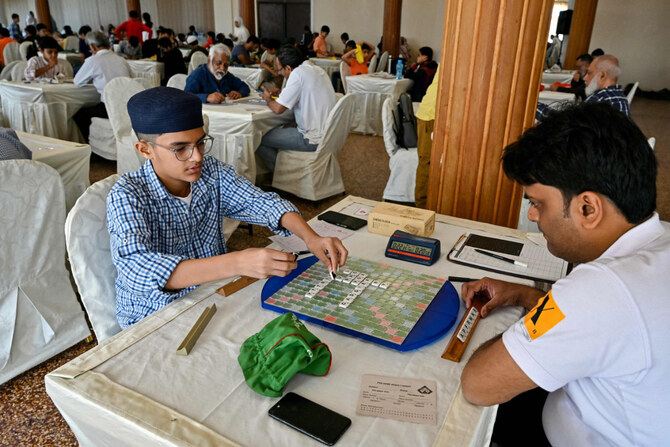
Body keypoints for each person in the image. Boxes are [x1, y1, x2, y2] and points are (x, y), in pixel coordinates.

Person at [460, 102, 668, 446]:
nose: (533, 213)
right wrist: (530, 298)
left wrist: (532, 323)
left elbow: (479, 384)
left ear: (587, 208)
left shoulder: (602, 290)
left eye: (539, 203)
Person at [106, 86, 348, 329]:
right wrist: (238, 262)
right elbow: (138, 268)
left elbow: (262, 203)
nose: (197, 157)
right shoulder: (128, 194)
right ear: (145, 149)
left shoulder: (210, 172)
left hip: (212, 294)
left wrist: (310, 237)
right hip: (154, 315)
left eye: (200, 143)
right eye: (180, 149)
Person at [258, 45, 336, 172]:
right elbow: (305, 94)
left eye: (280, 70)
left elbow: (278, 109)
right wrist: (283, 93)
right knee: (284, 126)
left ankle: (282, 176)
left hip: (311, 138)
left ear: (288, 68)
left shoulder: (297, 74)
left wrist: (268, 99)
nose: (281, 74)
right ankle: (290, 169)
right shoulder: (315, 69)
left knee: (259, 138)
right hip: (328, 135)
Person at [73, 31, 132, 142]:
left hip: (109, 107)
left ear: (93, 46)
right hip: (127, 105)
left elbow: (77, 81)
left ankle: (90, 146)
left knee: (79, 115)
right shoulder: (121, 60)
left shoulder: (93, 60)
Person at [184, 43, 250, 104]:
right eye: (218, 63)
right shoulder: (197, 76)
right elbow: (186, 97)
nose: (222, 68)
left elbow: (244, 87)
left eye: (226, 65)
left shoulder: (226, 76)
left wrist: (239, 93)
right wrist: (207, 97)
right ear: (209, 60)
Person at [414, 66, 439, 209]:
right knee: (426, 162)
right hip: (431, 114)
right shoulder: (455, 53)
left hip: (440, 112)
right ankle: (421, 208)